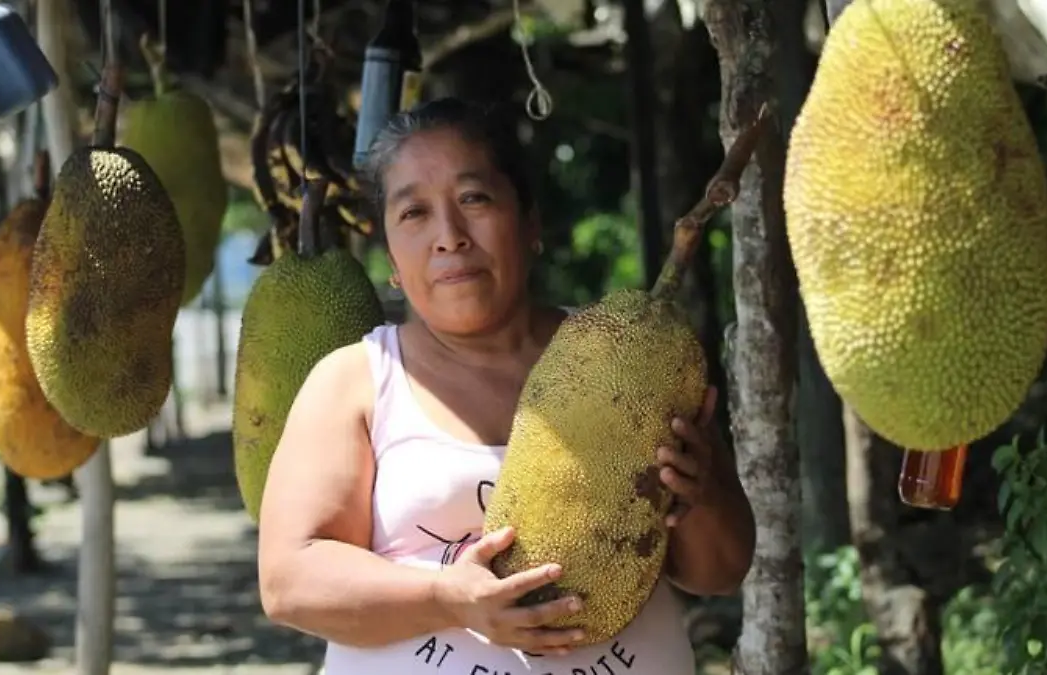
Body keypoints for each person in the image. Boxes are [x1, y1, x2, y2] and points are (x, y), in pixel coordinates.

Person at [256, 97, 756, 674]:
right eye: (413, 213)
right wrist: (450, 599)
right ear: (390, 254)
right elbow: (289, 582)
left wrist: (702, 495)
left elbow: (719, 572)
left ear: (530, 222)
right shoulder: (355, 380)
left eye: (474, 198)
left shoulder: (629, 355)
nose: (450, 235)